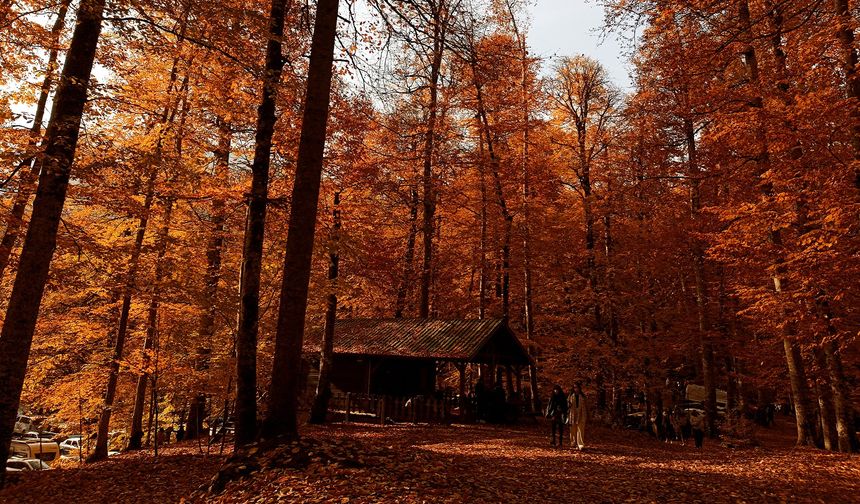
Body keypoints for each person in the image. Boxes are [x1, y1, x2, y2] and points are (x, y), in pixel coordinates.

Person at [567, 383, 588, 450]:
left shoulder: (583, 396)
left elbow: (587, 406)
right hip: (572, 414)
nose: (576, 389)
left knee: (580, 430)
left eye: (577, 387)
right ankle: (573, 443)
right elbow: (567, 406)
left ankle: (580, 444)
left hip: (582, 414)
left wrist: (588, 415)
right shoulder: (570, 396)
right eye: (574, 387)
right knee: (573, 430)